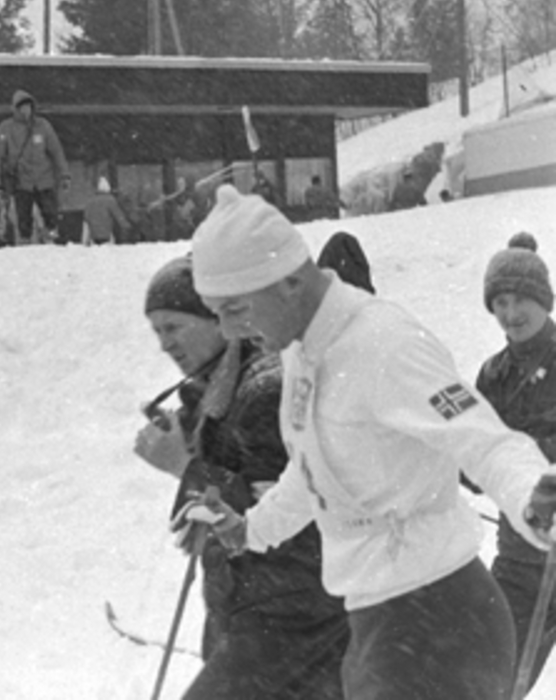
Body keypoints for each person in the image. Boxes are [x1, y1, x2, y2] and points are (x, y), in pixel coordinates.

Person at [183, 184, 556, 700]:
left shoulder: (384, 343)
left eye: (234, 308)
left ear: (289, 281)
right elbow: (310, 472)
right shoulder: (301, 354)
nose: (228, 331)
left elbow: (483, 438)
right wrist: (249, 531)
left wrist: (532, 494)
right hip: (378, 627)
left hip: (438, 625)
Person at [134, 256, 348, 699]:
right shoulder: (219, 390)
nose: (165, 344)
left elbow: (290, 524)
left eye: (174, 327)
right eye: (157, 332)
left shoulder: (265, 391)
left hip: (290, 617)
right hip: (255, 609)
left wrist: (185, 467)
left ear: (216, 320)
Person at [476, 233, 556, 692]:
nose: (511, 312)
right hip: (522, 555)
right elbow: (478, 450)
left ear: (543, 299)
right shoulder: (493, 374)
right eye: (501, 302)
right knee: (492, 675)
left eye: (522, 298)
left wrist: (529, 456)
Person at [0, 89, 69, 243]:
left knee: (50, 215)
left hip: (44, 180)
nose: (26, 110)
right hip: (21, 182)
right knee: (23, 220)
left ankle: (51, 239)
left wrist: (65, 174)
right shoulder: (6, 128)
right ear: (15, 109)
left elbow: (57, 151)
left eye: (28, 106)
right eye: (22, 107)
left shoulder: (43, 126)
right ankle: (26, 243)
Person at [81, 177, 130, 245]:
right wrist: (126, 226)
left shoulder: (91, 201)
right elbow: (118, 215)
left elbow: (86, 218)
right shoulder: (110, 200)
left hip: (94, 235)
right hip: (106, 234)